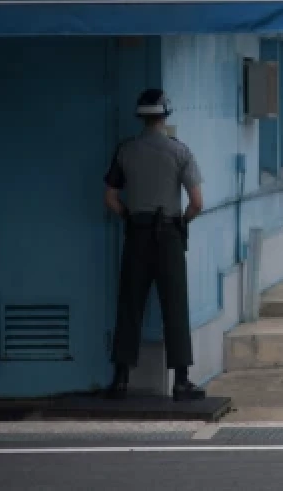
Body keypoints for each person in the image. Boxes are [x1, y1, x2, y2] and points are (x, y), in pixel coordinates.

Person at [102, 89, 206, 402]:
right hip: (169, 235)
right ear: (165, 115)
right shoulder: (180, 152)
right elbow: (197, 203)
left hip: (137, 233)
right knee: (174, 305)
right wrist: (181, 222)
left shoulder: (126, 150)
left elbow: (110, 197)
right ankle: (181, 381)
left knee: (130, 303)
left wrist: (130, 218)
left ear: (141, 117)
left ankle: (121, 378)